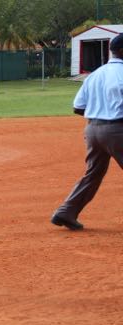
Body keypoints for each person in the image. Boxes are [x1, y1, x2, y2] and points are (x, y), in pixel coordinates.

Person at [51, 33, 123, 231]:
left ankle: (66, 211)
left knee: (93, 174)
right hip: (117, 129)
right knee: (94, 173)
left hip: (92, 129)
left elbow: (78, 106)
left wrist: (99, 114)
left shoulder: (95, 74)